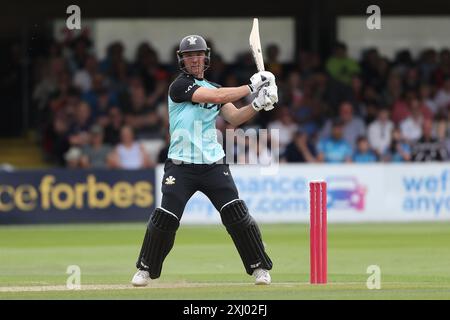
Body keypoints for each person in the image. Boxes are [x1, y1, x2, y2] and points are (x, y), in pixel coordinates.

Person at [131, 35, 278, 287]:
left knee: (236, 214)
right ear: (182, 60)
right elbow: (218, 97)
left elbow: (235, 117)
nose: (194, 59)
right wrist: (253, 87)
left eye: (198, 54)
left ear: (206, 57)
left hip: (213, 165)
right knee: (166, 218)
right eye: (189, 56)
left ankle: (260, 268)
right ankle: (145, 269)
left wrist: (258, 103)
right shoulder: (179, 87)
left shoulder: (213, 86)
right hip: (180, 165)